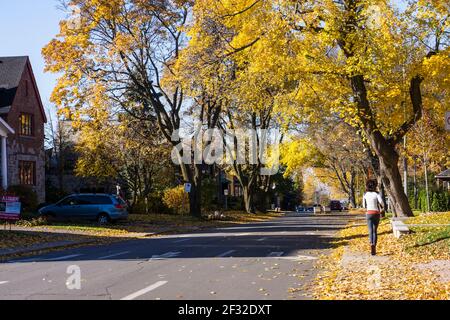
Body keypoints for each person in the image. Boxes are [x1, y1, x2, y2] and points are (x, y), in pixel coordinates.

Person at [363, 180, 385, 256]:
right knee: (375, 231)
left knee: (370, 230)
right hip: (376, 213)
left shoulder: (365, 194)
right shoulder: (377, 194)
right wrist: (381, 207)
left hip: (369, 213)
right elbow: (382, 202)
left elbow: (363, 205)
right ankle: (374, 246)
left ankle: (371, 243)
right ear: (375, 186)